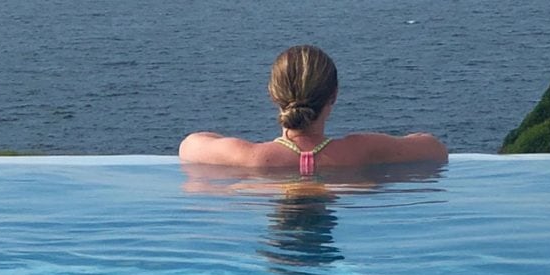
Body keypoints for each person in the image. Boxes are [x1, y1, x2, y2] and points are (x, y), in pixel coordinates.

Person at [179, 45, 448, 171]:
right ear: (334, 95)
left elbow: (189, 145)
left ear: (273, 94)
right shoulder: (362, 151)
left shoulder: (249, 157)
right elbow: (434, 149)